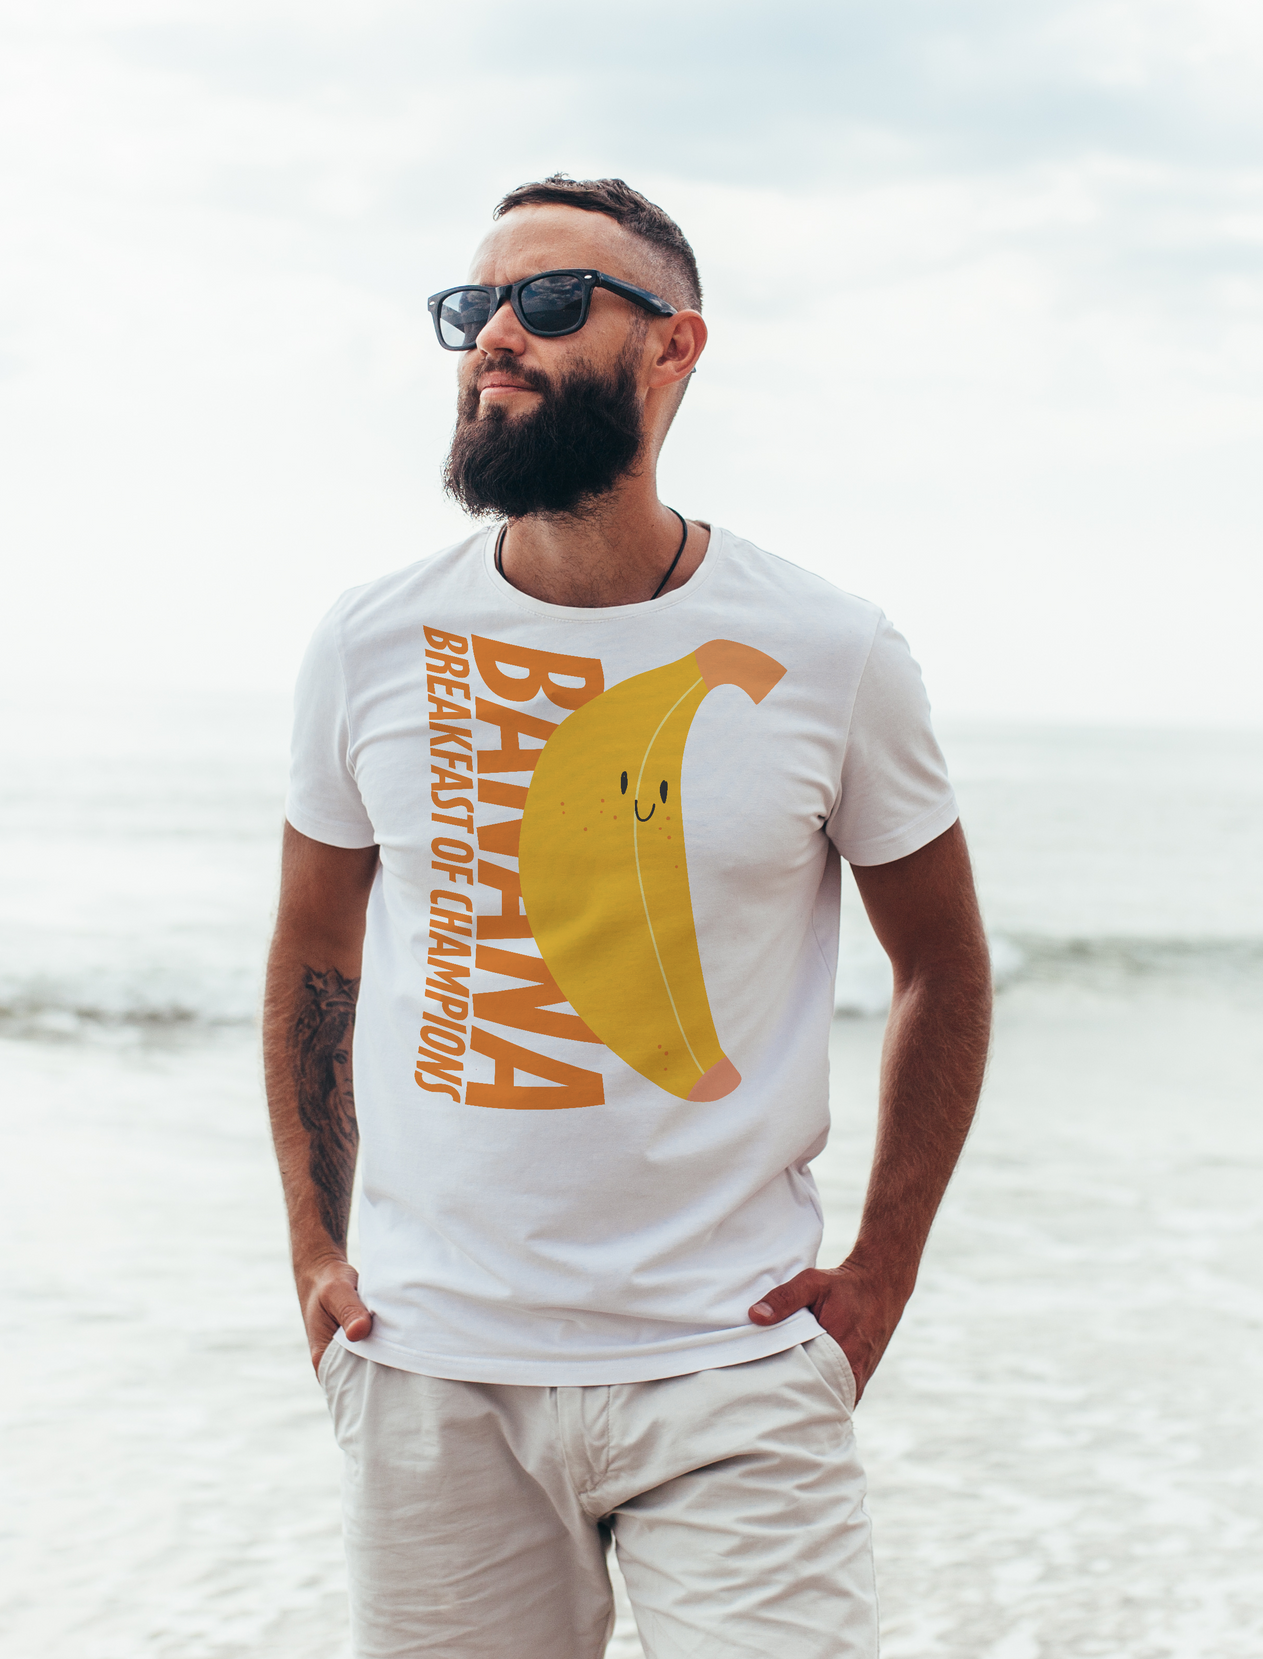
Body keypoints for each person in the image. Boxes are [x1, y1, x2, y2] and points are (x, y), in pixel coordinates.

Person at [263, 174, 992, 1658]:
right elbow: (314, 948)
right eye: (474, 309)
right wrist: (312, 1247)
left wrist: (881, 1269)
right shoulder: (368, 641)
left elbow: (943, 963)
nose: (495, 339)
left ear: (673, 348)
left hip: (727, 1368)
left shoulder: (828, 649)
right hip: (434, 1372)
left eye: (546, 301)